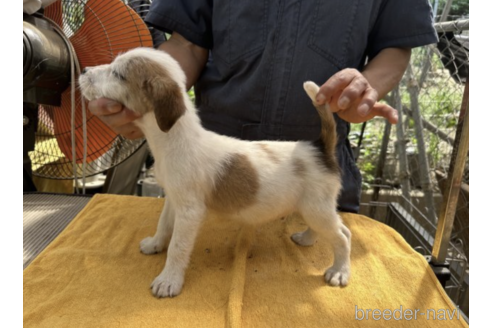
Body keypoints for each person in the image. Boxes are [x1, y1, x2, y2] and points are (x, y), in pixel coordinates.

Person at [89, 0, 438, 213]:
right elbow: (188, 45)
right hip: (213, 174)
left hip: (315, 170)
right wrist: (148, 99)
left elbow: (395, 47)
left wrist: (366, 86)